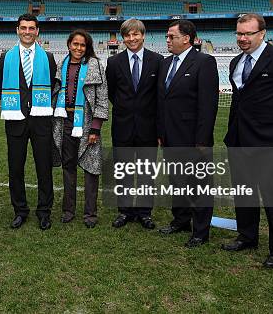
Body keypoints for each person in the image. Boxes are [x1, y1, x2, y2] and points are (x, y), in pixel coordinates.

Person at [222, 13, 273, 268]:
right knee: (244, 191)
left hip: (269, 141)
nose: (243, 38)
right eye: (239, 33)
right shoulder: (236, 62)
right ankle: (247, 236)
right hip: (238, 139)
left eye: (248, 33)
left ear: (262, 33)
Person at [156, 20, 219, 247]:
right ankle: (180, 220)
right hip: (170, 137)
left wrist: (202, 140)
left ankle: (201, 231)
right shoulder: (165, 64)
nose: (168, 40)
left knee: (199, 184)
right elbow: (162, 102)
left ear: (187, 39)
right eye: (167, 36)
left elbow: (208, 105)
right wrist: (161, 132)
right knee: (177, 181)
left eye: (171, 36)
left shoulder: (204, 62)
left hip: (193, 138)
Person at [0, 14, 57, 230]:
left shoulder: (48, 58)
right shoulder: (6, 57)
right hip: (16, 122)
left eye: (32, 28)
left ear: (37, 31)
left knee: (44, 168)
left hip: (41, 122)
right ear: (17, 30)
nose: (27, 32)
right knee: (15, 168)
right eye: (23, 28)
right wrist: (17, 107)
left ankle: (44, 211)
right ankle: (20, 211)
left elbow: (51, 87)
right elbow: (0, 91)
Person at [105, 18, 163, 229]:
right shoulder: (113, 62)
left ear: (143, 35)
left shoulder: (157, 60)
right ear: (123, 38)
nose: (132, 39)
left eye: (135, 34)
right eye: (127, 35)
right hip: (123, 126)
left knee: (147, 173)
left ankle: (145, 212)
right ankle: (125, 211)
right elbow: (112, 93)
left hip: (148, 128)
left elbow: (160, 96)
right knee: (124, 172)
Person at [52, 29, 108, 228]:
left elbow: (102, 98)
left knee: (91, 169)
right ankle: (68, 210)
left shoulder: (96, 66)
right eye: (75, 44)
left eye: (82, 45)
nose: (78, 48)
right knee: (68, 166)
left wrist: (95, 128)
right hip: (64, 122)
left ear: (87, 47)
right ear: (69, 45)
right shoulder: (61, 64)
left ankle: (90, 213)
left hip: (87, 123)